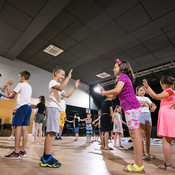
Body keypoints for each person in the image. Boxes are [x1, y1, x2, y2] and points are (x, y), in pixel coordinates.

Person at [96, 59, 145, 173]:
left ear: (122, 68)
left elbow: (117, 91)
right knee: (134, 135)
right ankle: (137, 162)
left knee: (135, 135)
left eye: (115, 67)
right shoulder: (120, 79)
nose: (113, 69)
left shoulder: (123, 76)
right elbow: (114, 96)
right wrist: (105, 92)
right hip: (129, 109)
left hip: (132, 108)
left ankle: (139, 164)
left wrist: (104, 93)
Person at [40, 66, 80, 168]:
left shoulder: (58, 85)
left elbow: (67, 95)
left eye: (64, 75)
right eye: (62, 74)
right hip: (53, 108)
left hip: (56, 110)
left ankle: (45, 156)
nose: (63, 76)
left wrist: (75, 87)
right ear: (56, 74)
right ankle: (47, 158)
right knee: (51, 133)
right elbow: (62, 87)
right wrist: (68, 78)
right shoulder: (52, 82)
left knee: (51, 133)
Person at [143, 75, 175, 170]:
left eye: (161, 85)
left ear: (164, 84)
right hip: (170, 114)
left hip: (167, 115)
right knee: (168, 139)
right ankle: (168, 163)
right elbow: (155, 96)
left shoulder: (169, 91)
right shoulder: (172, 92)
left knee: (166, 140)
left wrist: (148, 87)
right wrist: (148, 90)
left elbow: (156, 97)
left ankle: (168, 165)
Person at [4, 71, 32, 159]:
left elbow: (11, 96)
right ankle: (23, 151)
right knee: (25, 129)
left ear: (23, 77)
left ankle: (16, 152)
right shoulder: (29, 86)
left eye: (20, 77)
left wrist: (8, 85)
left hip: (22, 108)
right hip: (29, 108)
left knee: (18, 128)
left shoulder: (21, 84)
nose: (19, 78)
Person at [136, 85, 157, 160]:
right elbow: (136, 102)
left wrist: (154, 107)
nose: (142, 91)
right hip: (140, 115)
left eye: (143, 90)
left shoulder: (147, 98)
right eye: (141, 90)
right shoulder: (136, 97)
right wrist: (145, 102)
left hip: (148, 115)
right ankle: (142, 153)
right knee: (141, 135)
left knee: (148, 135)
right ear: (137, 92)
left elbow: (153, 104)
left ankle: (148, 153)